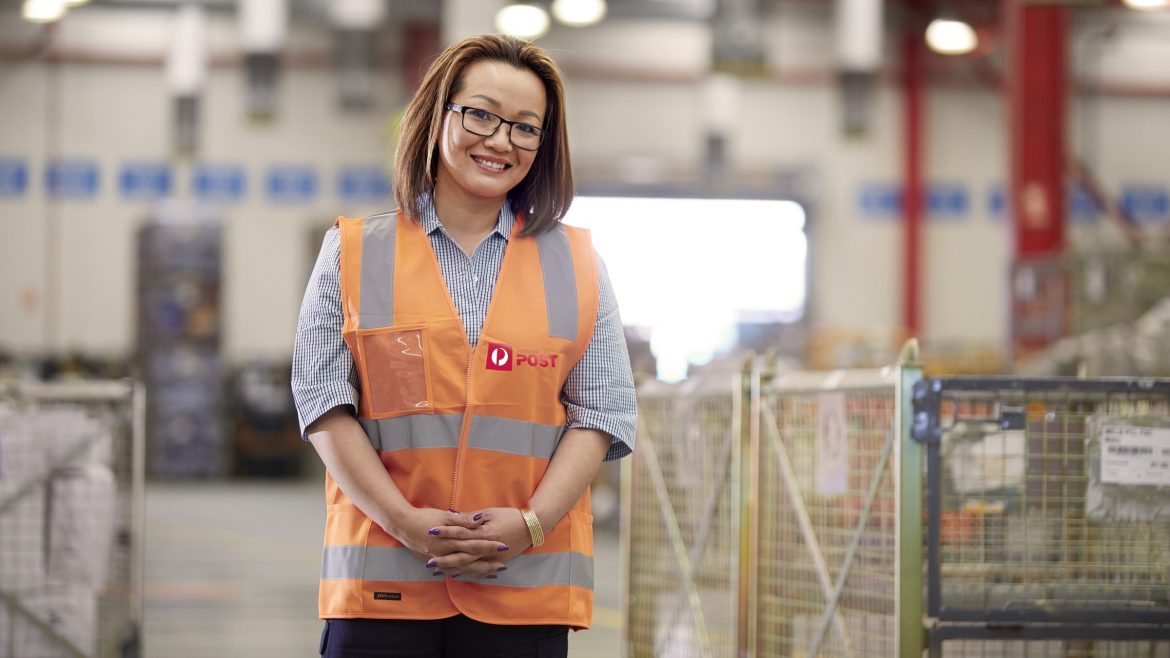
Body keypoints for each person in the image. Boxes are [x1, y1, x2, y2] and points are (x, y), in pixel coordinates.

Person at [291, 33, 637, 658]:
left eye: (526, 128)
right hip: (383, 585)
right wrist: (404, 522)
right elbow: (321, 402)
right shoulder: (352, 249)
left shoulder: (579, 264)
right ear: (437, 114)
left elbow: (603, 413)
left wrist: (529, 527)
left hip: (522, 588)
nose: (501, 140)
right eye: (480, 114)